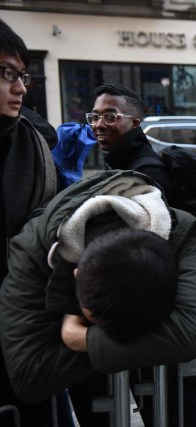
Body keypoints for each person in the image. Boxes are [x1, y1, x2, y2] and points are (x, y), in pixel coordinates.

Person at [0, 169, 196, 426]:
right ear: (76, 275)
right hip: (89, 387)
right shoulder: (30, 249)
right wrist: (158, 343)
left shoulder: (180, 229)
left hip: (148, 384)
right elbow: (29, 376)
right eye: (94, 321)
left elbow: (189, 336)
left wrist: (79, 337)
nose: (106, 332)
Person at [0, 18, 59, 426]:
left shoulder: (34, 145)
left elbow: (46, 220)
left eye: (21, 75)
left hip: (24, 330)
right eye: (6, 74)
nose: (20, 87)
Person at [87, 83, 179, 206]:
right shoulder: (120, 161)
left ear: (134, 123)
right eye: (95, 116)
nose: (99, 125)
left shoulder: (147, 172)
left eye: (110, 117)